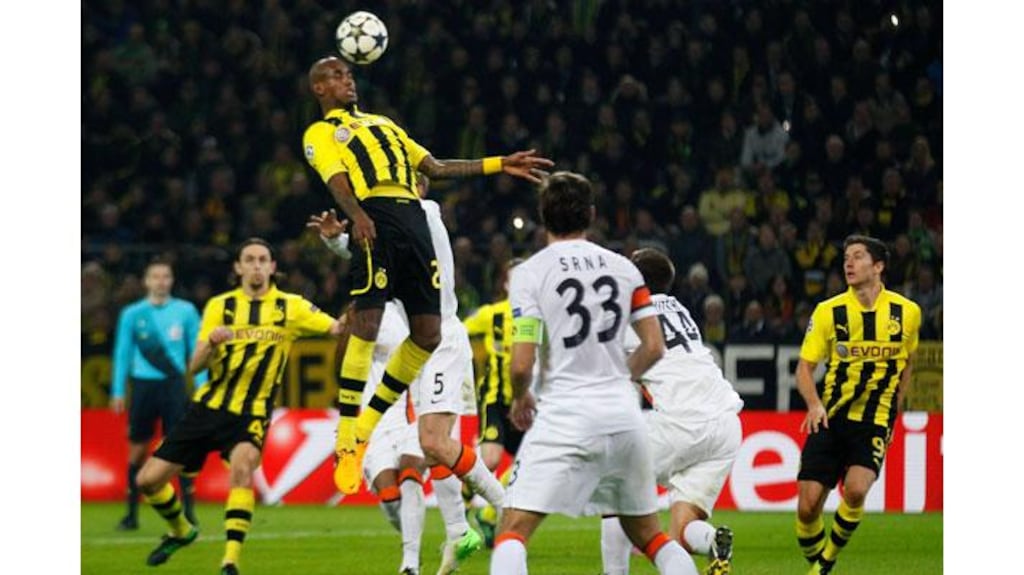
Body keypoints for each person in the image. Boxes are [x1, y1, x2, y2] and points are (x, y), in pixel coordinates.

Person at [300, 55, 552, 495]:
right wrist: (357, 215)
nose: (347, 80)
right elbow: (337, 179)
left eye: (349, 74)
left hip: (411, 220)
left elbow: (434, 167)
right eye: (336, 76)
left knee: (428, 334)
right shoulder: (321, 133)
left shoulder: (385, 124)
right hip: (376, 214)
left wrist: (498, 164)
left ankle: (365, 428)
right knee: (366, 323)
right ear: (319, 88)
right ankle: (347, 436)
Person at [490, 171, 698, 575]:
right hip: (624, 418)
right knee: (651, 537)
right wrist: (619, 379)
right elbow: (654, 346)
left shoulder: (530, 274)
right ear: (591, 213)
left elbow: (521, 364)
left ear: (542, 216)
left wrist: (520, 397)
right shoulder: (625, 269)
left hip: (565, 415)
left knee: (512, 530)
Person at [309, 171, 495, 574]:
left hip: (443, 341)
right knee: (434, 445)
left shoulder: (425, 212)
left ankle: (499, 509)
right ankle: (458, 531)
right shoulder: (395, 256)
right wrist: (338, 242)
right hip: (422, 347)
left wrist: (346, 241)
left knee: (434, 444)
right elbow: (375, 251)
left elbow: (383, 247)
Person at [134, 238, 344, 575]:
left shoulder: (291, 307)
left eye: (263, 259)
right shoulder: (221, 306)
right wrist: (211, 344)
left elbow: (337, 329)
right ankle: (182, 531)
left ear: (273, 267)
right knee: (148, 481)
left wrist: (361, 313)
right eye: (249, 259)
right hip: (207, 408)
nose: (256, 265)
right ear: (238, 267)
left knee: (242, 468)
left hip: (251, 412)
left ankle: (230, 561)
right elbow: (194, 366)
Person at [600, 247, 743, 575]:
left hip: (682, 423)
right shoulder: (679, 308)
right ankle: (713, 542)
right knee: (682, 527)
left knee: (613, 484)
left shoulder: (630, 316)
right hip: (726, 425)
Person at [795, 235, 921, 575]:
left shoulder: (908, 313)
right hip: (830, 417)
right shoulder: (828, 311)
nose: (849, 263)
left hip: (874, 419)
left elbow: (908, 362)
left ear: (878, 266)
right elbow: (804, 369)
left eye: (858, 256)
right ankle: (820, 563)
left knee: (855, 490)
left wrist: (895, 409)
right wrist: (814, 404)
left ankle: (825, 563)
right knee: (807, 508)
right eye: (846, 257)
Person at [110, 260, 206, 531]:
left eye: (165, 276)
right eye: (155, 276)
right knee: (138, 450)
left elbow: (197, 351)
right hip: (143, 387)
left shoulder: (186, 311)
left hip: (174, 386)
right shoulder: (132, 314)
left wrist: (203, 386)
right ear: (146, 281)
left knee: (179, 449)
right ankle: (131, 515)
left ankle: (189, 512)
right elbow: (122, 353)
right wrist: (118, 390)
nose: (161, 281)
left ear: (172, 280)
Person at [462, 258, 526, 547]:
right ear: (506, 284)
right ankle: (463, 505)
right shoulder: (492, 314)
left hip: (527, 404)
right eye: (514, 279)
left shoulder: (540, 317)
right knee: (489, 460)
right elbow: (458, 331)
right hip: (495, 400)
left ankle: (488, 515)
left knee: (529, 465)